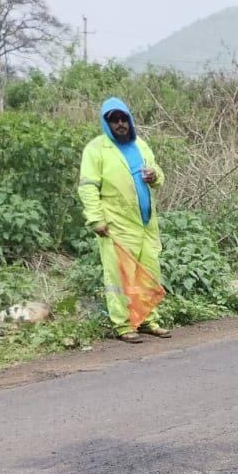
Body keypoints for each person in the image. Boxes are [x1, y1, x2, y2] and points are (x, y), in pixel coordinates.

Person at [77, 98, 170, 344]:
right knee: (119, 277)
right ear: (106, 123)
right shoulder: (96, 149)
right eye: (114, 120)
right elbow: (88, 187)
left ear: (129, 120)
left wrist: (155, 175)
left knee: (147, 273)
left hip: (146, 224)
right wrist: (95, 219)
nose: (120, 124)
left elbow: (158, 174)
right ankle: (123, 325)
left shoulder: (140, 145)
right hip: (117, 226)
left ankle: (148, 320)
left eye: (123, 119)